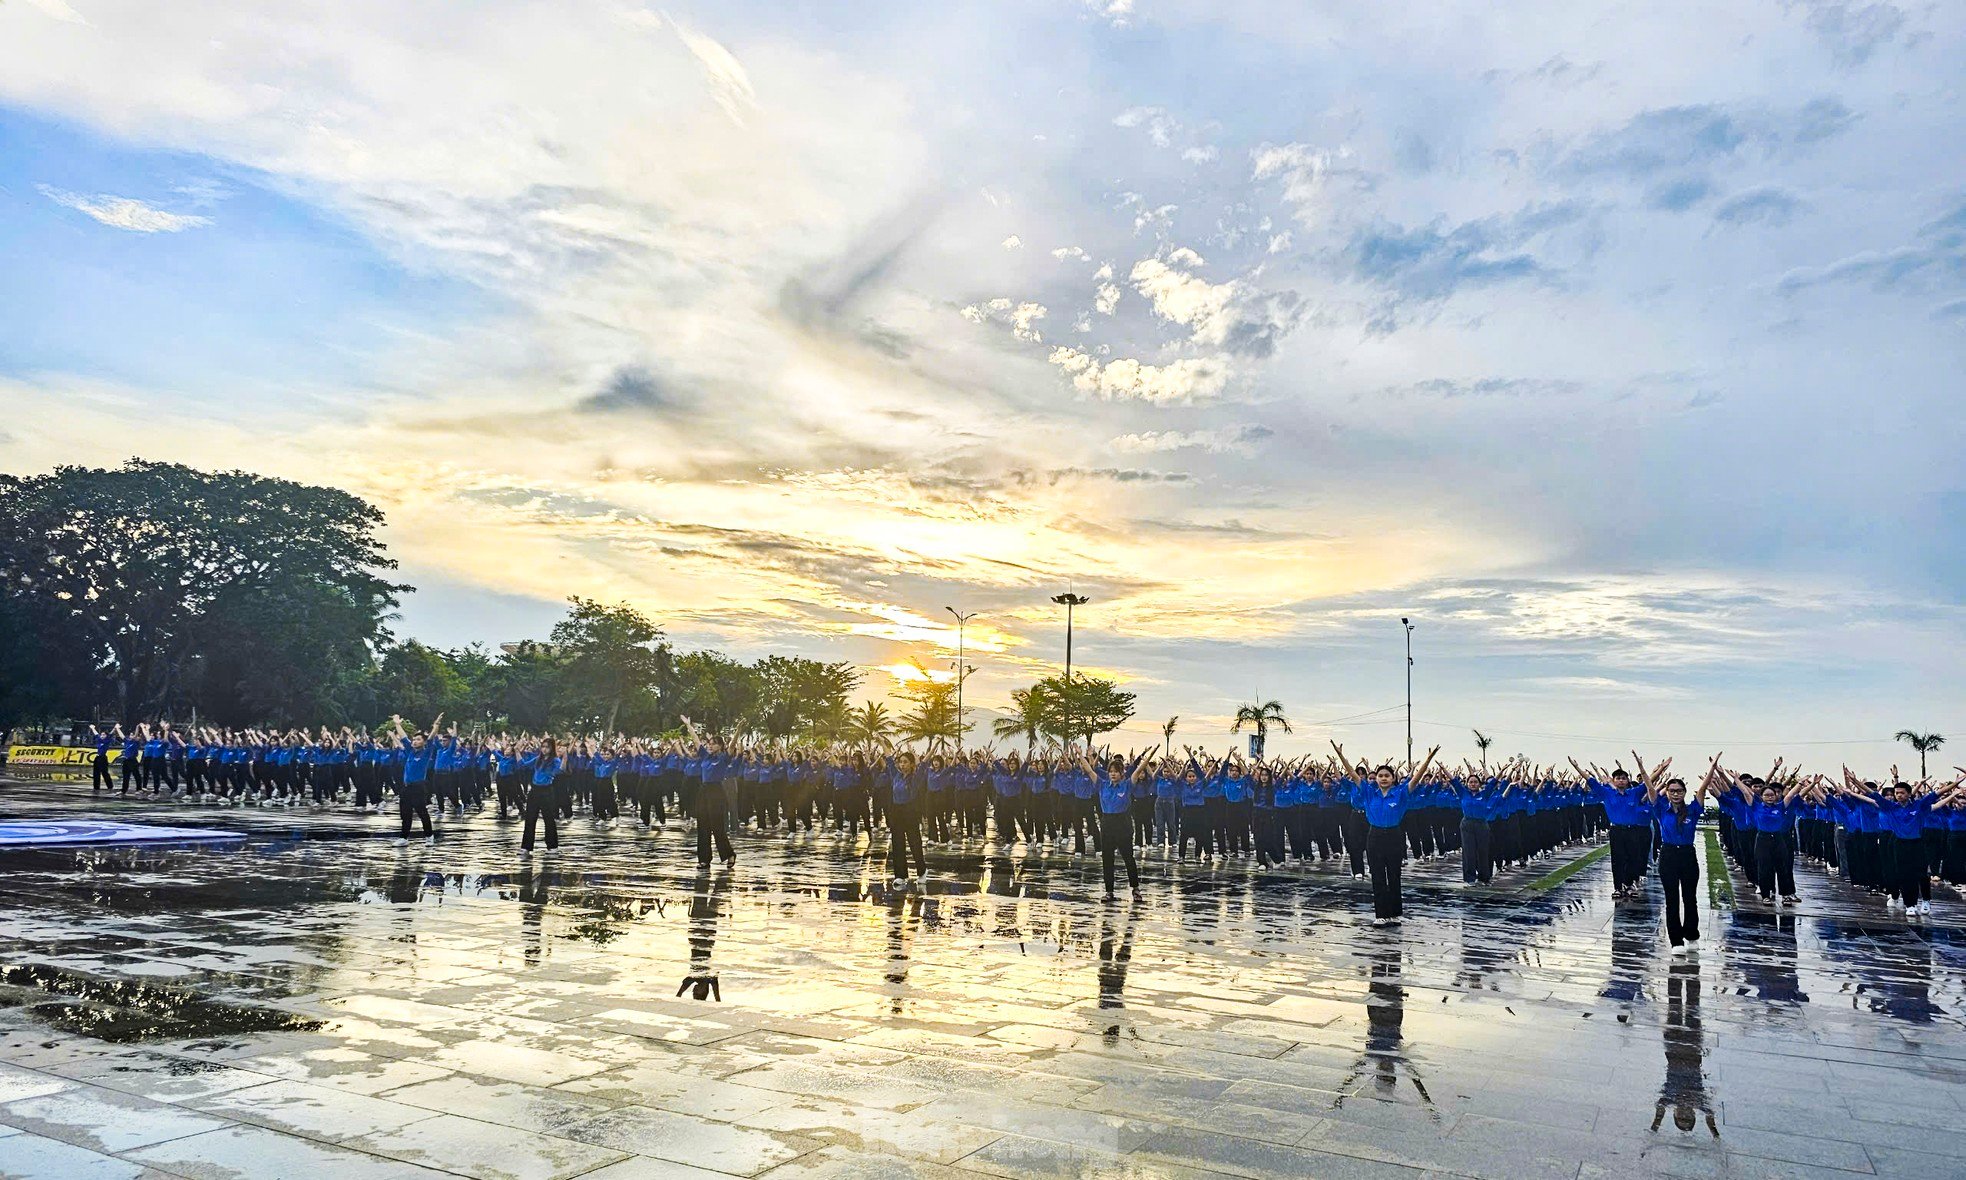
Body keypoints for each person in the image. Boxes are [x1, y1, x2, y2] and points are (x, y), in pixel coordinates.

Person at [1337, 740, 1440, 926]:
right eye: (1380, 776)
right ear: (1376, 779)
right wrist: (1341, 756)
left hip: (1394, 835)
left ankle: (1395, 913)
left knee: (1394, 875)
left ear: (1393, 778)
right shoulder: (1369, 792)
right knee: (1377, 875)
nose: (1383, 778)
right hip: (1375, 836)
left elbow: (1416, 779)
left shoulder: (1400, 793)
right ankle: (1381, 915)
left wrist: (1428, 759)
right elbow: (1353, 775)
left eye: (1387, 775)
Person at [1649, 761, 1713, 954]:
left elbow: (1703, 788)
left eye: (1679, 790)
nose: (1675, 794)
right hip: (1668, 854)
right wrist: (1644, 768)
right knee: (1672, 899)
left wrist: (1713, 767)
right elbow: (1649, 787)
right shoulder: (1661, 808)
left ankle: (1691, 935)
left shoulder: (1693, 809)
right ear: (1667, 792)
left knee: (1690, 897)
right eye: (1672, 791)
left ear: (1685, 792)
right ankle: (1676, 940)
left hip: (1687, 855)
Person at [389, 713, 441, 846]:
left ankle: (429, 836)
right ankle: (404, 838)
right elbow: (404, 737)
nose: (415, 741)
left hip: (418, 787)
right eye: (414, 740)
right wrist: (397, 724)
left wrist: (436, 726)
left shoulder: (426, 752)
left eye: (418, 739)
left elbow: (431, 738)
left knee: (422, 812)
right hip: (406, 787)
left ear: (423, 742)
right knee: (405, 813)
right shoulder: (410, 751)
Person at [521, 736, 565, 856]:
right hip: (534, 791)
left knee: (549, 819)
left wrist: (565, 756)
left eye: (547, 747)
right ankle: (526, 847)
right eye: (543, 747)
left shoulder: (555, 760)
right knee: (530, 819)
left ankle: (552, 847)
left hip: (547, 791)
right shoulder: (537, 759)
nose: (544, 749)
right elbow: (523, 765)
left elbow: (561, 770)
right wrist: (516, 751)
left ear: (552, 748)